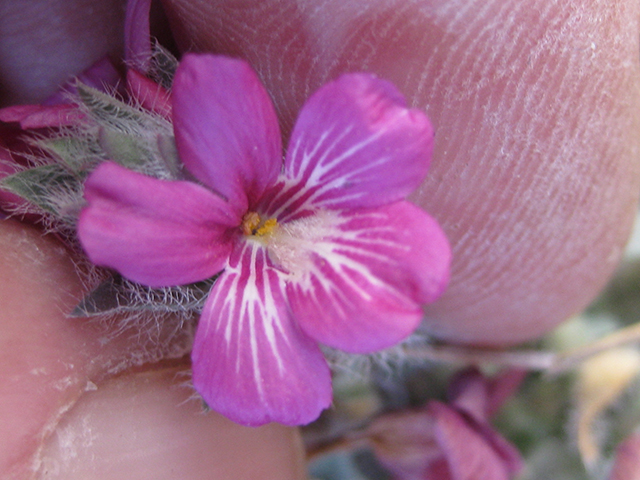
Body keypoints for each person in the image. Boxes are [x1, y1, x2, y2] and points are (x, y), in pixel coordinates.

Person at [1, 0, 639, 478]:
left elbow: (314, 154)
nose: (262, 229)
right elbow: (194, 175)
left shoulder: (266, 210)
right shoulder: (215, 224)